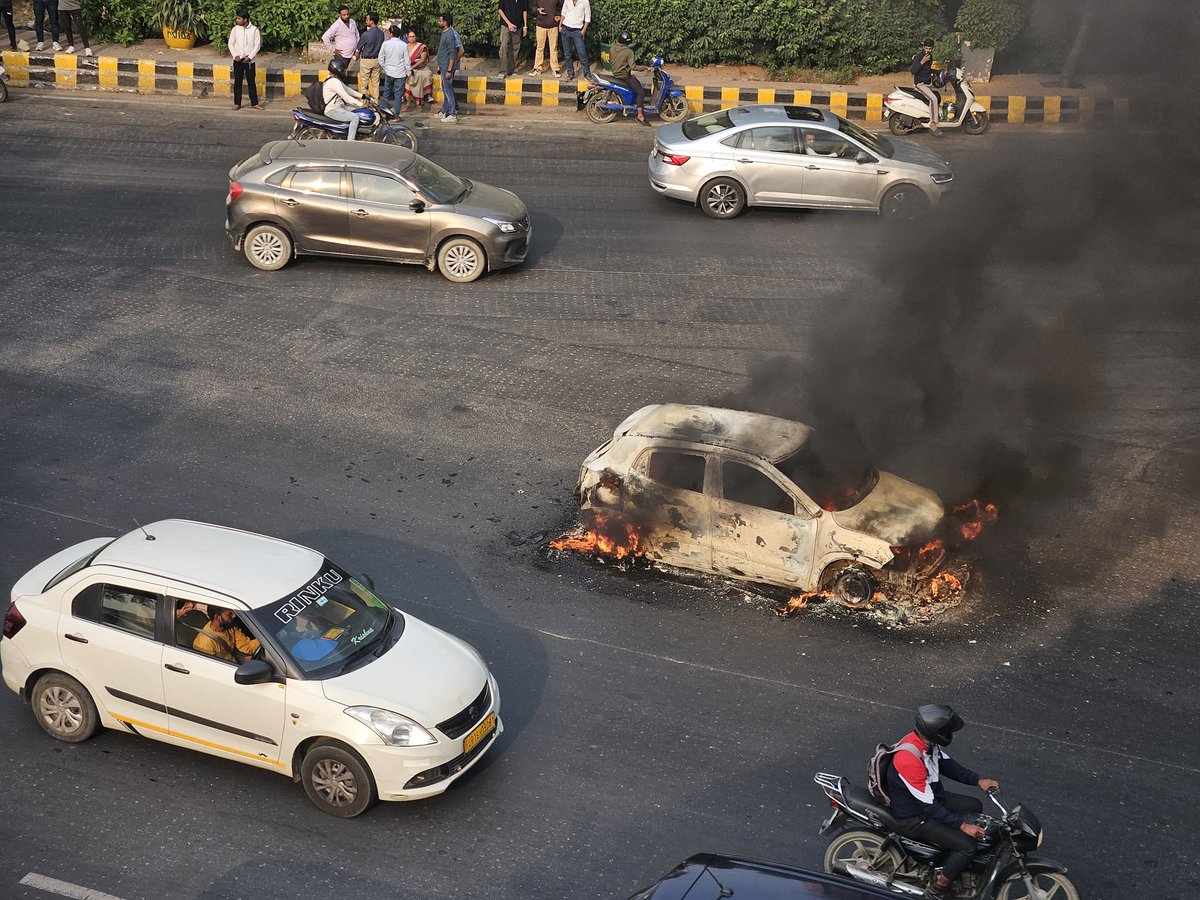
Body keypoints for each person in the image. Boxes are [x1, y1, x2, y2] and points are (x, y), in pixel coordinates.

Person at [885, 705, 1000, 900]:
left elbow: (948, 765)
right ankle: (937, 890)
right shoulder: (909, 759)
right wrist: (962, 826)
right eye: (947, 731)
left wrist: (977, 781)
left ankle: (948, 858)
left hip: (931, 798)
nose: (950, 735)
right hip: (915, 816)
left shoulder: (927, 743)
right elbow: (928, 806)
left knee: (973, 805)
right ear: (936, 733)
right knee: (966, 847)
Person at [193, 608, 261, 664]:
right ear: (217, 617)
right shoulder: (205, 643)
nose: (234, 616)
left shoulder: (230, 626)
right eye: (230, 614)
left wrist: (263, 640)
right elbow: (213, 669)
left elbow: (247, 648)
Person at [608, 29, 646, 125]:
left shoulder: (612, 48)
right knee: (641, 92)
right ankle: (640, 116)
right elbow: (633, 67)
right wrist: (646, 68)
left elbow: (610, 60)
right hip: (624, 76)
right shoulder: (629, 52)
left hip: (615, 74)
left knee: (635, 82)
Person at [322, 56, 365, 140]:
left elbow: (347, 89)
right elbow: (347, 98)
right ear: (337, 70)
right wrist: (361, 104)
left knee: (358, 111)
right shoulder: (334, 82)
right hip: (332, 110)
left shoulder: (333, 79)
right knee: (355, 117)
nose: (344, 72)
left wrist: (362, 96)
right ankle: (350, 141)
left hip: (340, 107)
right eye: (342, 70)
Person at [227, 9, 262, 110]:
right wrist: (235, 55)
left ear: (245, 19)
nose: (237, 20)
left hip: (250, 61)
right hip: (238, 60)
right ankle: (237, 103)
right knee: (237, 82)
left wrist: (249, 57)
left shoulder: (254, 30)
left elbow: (257, 46)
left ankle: (254, 103)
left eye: (239, 18)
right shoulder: (235, 29)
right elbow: (231, 43)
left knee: (251, 82)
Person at [435, 12, 464, 123]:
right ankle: (445, 110)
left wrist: (449, 69)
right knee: (445, 89)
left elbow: (453, 53)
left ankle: (452, 113)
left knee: (448, 90)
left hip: (447, 66)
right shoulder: (445, 33)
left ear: (445, 22)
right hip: (443, 65)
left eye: (441, 20)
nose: (439, 22)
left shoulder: (451, 34)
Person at [911, 38, 942, 136]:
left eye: (930, 49)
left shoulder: (930, 56)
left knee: (937, 97)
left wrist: (939, 72)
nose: (928, 50)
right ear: (923, 47)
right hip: (920, 84)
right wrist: (922, 61)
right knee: (933, 99)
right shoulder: (919, 56)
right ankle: (933, 124)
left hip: (928, 84)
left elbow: (928, 70)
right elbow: (913, 71)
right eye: (926, 48)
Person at [378, 25, 411, 116]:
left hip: (389, 72)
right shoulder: (404, 45)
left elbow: (380, 59)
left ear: (391, 34)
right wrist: (409, 73)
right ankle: (396, 115)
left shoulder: (385, 44)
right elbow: (407, 61)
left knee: (387, 93)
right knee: (398, 95)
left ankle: (384, 113)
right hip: (400, 73)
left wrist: (386, 67)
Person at [558, 0, 593, 81]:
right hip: (566, 28)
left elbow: (587, 17)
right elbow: (563, 13)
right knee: (567, 54)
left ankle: (587, 74)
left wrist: (584, 30)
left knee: (582, 53)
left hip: (577, 31)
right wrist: (560, 25)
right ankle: (570, 74)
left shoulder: (585, 2)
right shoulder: (567, 0)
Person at [356, 11, 385, 99]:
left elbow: (359, 47)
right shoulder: (381, 34)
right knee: (376, 83)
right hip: (377, 60)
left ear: (372, 21)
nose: (366, 21)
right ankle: (376, 102)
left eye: (367, 20)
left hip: (366, 60)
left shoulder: (366, 34)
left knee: (364, 84)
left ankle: (365, 103)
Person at [530, 0, 561, 76]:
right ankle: (537, 68)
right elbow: (532, 6)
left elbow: (561, 6)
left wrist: (558, 15)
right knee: (540, 48)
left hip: (553, 25)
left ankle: (555, 69)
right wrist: (537, 10)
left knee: (553, 48)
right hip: (540, 24)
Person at [405, 28, 434, 108]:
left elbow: (423, 59)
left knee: (425, 75)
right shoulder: (404, 46)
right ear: (407, 37)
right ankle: (406, 96)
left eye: (413, 36)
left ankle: (428, 96)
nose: (412, 38)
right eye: (410, 36)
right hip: (408, 67)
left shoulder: (421, 46)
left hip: (420, 67)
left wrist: (413, 66)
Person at [498, 0, 527, 78]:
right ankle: (503, 71)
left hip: (518, 26)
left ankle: (510, 70)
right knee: (504, 46)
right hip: (505, 25)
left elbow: (524, 11)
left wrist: (525, 26)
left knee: (515, 47)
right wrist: (509, 23)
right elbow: (500, 10)